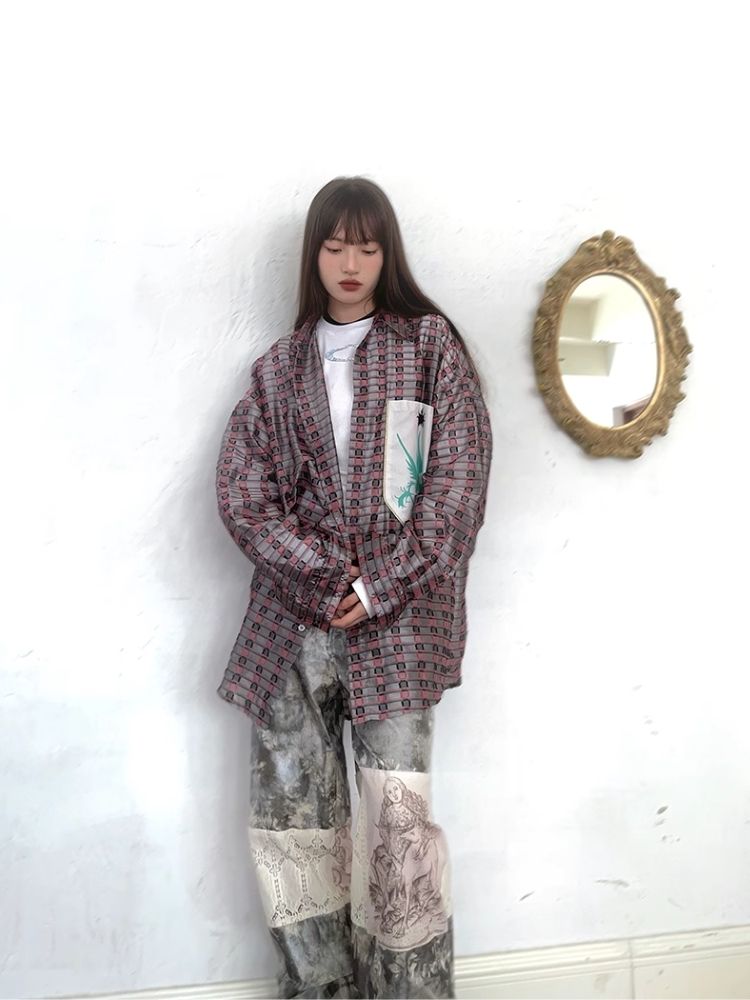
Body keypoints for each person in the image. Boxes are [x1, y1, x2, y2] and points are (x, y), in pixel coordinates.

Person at [215, 177, 493, 999]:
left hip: (397, 629)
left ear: (387, 254)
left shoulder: (429, 348)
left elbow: (457, 490)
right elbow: (242, 493)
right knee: (295, 830)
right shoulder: (278, 370)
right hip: (291, 628)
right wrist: (318, 573)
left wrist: (379, 586)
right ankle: (319, 991)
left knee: (398, 835)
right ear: (314, 253)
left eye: (366, 246)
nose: (350, 262)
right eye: (334, 245)